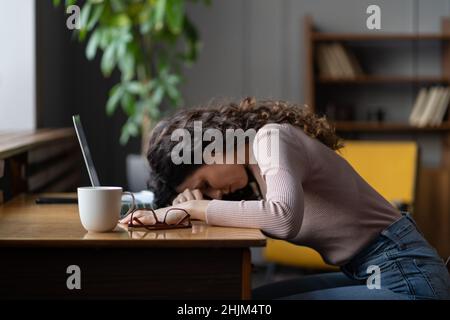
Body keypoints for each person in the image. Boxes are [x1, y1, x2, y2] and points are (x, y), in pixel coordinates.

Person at [119, 97, 450, 300]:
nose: (215, 194)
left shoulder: (271, 139)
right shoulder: (256, 175)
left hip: (406, 276)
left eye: (205, 182)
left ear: (212, 146)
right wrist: (189, 210)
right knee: (248, 300)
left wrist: (198, 206)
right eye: (204, 192)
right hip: (371, 270)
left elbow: (283, 218)